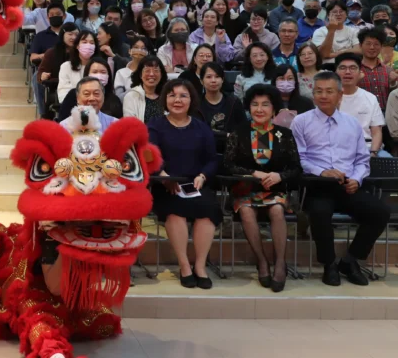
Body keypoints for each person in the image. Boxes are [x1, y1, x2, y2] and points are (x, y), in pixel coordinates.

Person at [291, 71, 390, 286]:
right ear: (313, 94)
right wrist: (321, 171)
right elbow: (299, 158)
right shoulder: (301, 121)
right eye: (319, 91)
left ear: (340, 95)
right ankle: (329, 265)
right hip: (317, 185)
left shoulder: (352, 124)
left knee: (380, 212)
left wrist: (356, 179)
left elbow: (362, 159)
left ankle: (350, 260)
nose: (323, 96)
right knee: (319, 212)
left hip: (348, 185)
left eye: (329, 91)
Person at [224, 84, 302, 292]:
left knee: (277, 210)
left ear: (274, 108)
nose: (259, 109)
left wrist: (279, 176)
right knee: (247, 212)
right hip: (245, 188)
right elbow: (228, 165)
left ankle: (279, 263)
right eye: (255, 104)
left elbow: (296, 168)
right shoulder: (238, 132)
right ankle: (262, 261)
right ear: (249, 108)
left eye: (265, 105)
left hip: (275, 190)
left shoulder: (284, 134)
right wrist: (253, 174)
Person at [148, 79, 220, 289]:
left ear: (191, 100)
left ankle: (200, 266)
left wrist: (203, 176)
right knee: (175, 212)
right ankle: (184, 265)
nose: (177, 100)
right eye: (172, 95)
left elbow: (212, 159)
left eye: (183, 96)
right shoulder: (155, 124)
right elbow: (148, 155)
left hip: (196, 183)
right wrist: (163, 176)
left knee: (208, 210)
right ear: (165, 99)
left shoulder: (201, 126)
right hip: (166, 184)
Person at [334, 53, 389, 157]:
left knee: (389, 164)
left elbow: (376, 131)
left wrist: (373, 152)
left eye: (353, 68)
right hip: (338, 149)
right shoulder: (329, 98)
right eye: (342, 68)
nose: (347, 72)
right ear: (335, 72)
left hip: (368, 147)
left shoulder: (370, 98)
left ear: (360, 73)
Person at [199, 62, 246, 153]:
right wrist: (226, 135)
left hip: (231, 150)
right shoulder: (196, 104)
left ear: (223, 79)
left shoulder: (234, 102)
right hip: (204, 150)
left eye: (217, 77)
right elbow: (198, 132)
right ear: (201, 81)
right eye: (209, 77)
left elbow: (242, 128)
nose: (213, 80)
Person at [123, 55, 167, 122]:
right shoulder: (131, 96)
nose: (151, 74)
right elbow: (130, 125)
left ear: (161, 75)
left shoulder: (167, 95)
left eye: (156, 70)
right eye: (147, 70)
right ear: (140, 75)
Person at [356, 27, 391, 111]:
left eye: (376, 44)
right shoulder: (354, 70)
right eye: (368, 44)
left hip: (386, 115)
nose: (372, 47)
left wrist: (393, 83)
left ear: (381, 46)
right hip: (362, 115)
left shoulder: (388, 70)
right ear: (361, 45)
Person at [56, 30, 96, 102]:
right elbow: (63, 93)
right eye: (84, 42)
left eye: (92, 43)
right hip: (73, 107)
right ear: (77, 46)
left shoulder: (99, 66)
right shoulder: (66, 67)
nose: (88, 45)